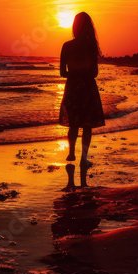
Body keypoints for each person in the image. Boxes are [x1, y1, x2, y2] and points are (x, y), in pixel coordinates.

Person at [59, 12, 106, 166]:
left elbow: (62, 72)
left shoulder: (66, 46)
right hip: (87, 88)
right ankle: (84, 158)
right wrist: (83, 72)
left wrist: (74, 73)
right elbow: (95, 73)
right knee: (87, 125)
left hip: (72, 87)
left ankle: (71, 154)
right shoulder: (91, 46)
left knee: (73, 123)